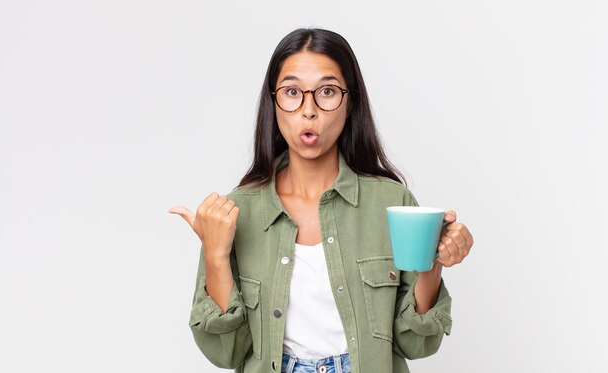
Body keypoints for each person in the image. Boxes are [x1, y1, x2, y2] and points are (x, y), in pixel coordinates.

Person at [169, 28, 473, 373]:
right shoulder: (236, 211)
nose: (308, 110)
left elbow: (415, 343)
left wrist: (433, 261)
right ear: (274, 102)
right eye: (292, 92)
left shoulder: (392, 201)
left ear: (350, 103)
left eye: (327, 91)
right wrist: (216, 254)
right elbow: (226, 353)